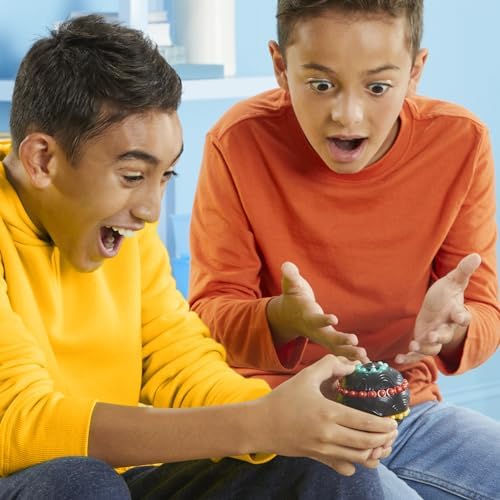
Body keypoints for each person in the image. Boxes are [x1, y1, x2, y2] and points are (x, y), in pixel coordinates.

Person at [0, 13, 401, 500]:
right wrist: (256, 424)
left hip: (121, 480)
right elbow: (17, 423)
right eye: (132, 177)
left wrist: (290, 418)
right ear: (42, 160)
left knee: (318, 462)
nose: (150, 210)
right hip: (44, 482)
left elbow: (179, 362)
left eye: (165, 177)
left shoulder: (121, 225)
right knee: (78, 483)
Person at [189, 0, 500, 498]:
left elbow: (484, 310)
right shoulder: (237, 141)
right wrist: (282, 318)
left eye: (377, 87)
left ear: (415, 71)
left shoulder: (461, 141)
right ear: (280, 67)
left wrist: (458, 328)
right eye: (320, 84)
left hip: (407, 413)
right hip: (284, 418)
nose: (346, 115)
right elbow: (208, 315)